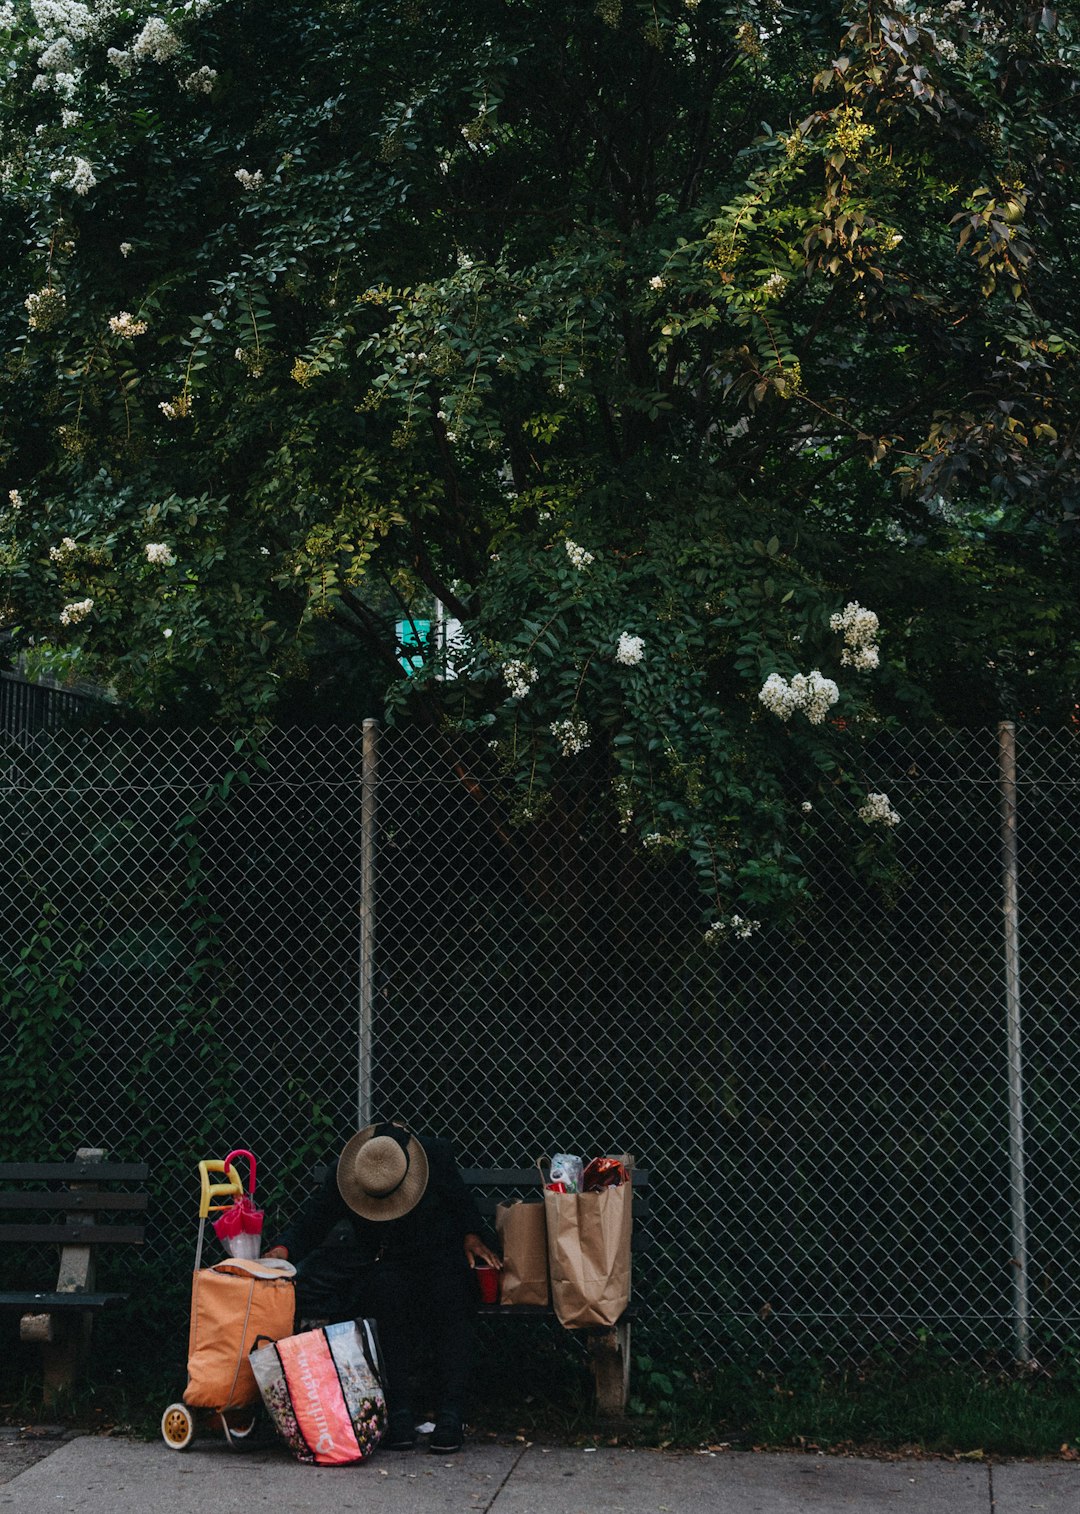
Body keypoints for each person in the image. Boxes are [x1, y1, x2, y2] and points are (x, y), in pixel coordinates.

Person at [264, 1119, 501, 1455]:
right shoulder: (352, 1173)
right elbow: (313, 1221)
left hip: (439, 1255)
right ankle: (399, 1412)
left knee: (452, 1293)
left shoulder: (434, 1156)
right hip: (390, 1261)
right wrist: (283, 1250)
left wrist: (472, 1236)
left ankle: (452, 1412)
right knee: (384, 1292)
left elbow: (462, 1204)